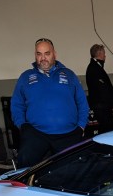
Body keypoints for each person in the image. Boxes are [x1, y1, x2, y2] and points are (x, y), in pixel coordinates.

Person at [11, 38, 89, 167]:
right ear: (35, 55)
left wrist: (81, 126)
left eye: (47, 53)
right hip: (36, 134)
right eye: (39, 54)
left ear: (54, 54)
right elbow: (16, 105)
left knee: (74, 170)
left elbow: (82, 103)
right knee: (25, 166)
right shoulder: (25, 77)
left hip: (68, 134)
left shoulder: (69, 75)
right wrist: (22, 125)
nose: (43, 58)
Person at [86, 44, 113, 134]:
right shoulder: (95, 69)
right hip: (102, 108)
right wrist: (112, 106)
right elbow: (103, 90)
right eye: (104, 53)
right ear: (100, 54)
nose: (105, 56)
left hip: (101, 106)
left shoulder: (96, 67)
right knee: (107, 131)